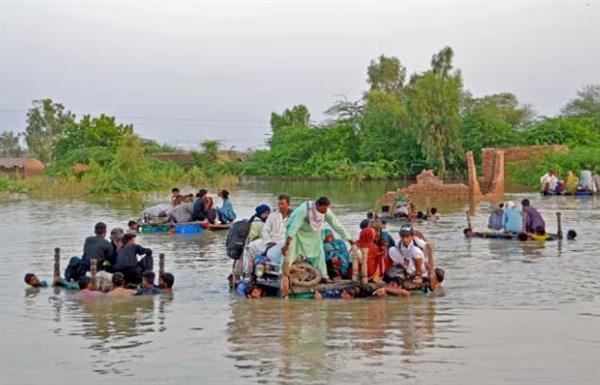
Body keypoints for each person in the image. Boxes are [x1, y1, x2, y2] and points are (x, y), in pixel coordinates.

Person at [282, 197, 353, 282]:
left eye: (327, 209)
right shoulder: (304, 209)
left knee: (319, 251)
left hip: (313, 231)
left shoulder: (326, 211)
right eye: (324, 209)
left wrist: (350, 240)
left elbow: (336, 225)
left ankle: (323, 276)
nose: (326, 211)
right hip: (297, 231)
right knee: (291, 251)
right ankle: (284, 274)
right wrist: (287, 244)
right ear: (317, 205)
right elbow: (295, 226)